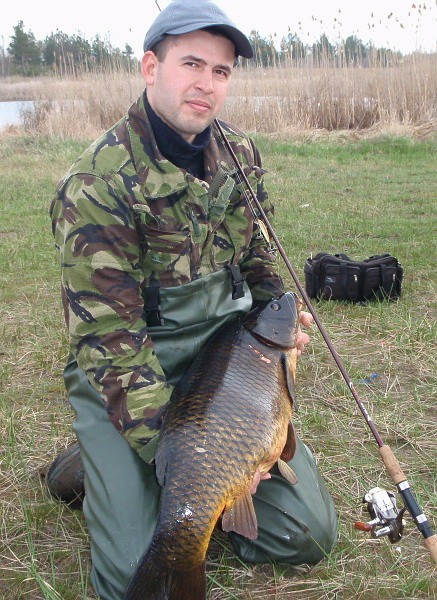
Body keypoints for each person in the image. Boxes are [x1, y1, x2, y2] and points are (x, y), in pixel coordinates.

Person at [48, 1, 338, 598]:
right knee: (138, 577)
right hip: (131, 371)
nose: (207, 84)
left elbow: (259, 265)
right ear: (150, 67)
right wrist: (197, 464)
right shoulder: (96, 185)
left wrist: (284, 333)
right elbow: (109, 342)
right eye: (191, 64)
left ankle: (128, 477)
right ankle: (87, 464)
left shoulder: (239, 155)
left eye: (221, 71)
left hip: (220, 369)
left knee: (307, 534)